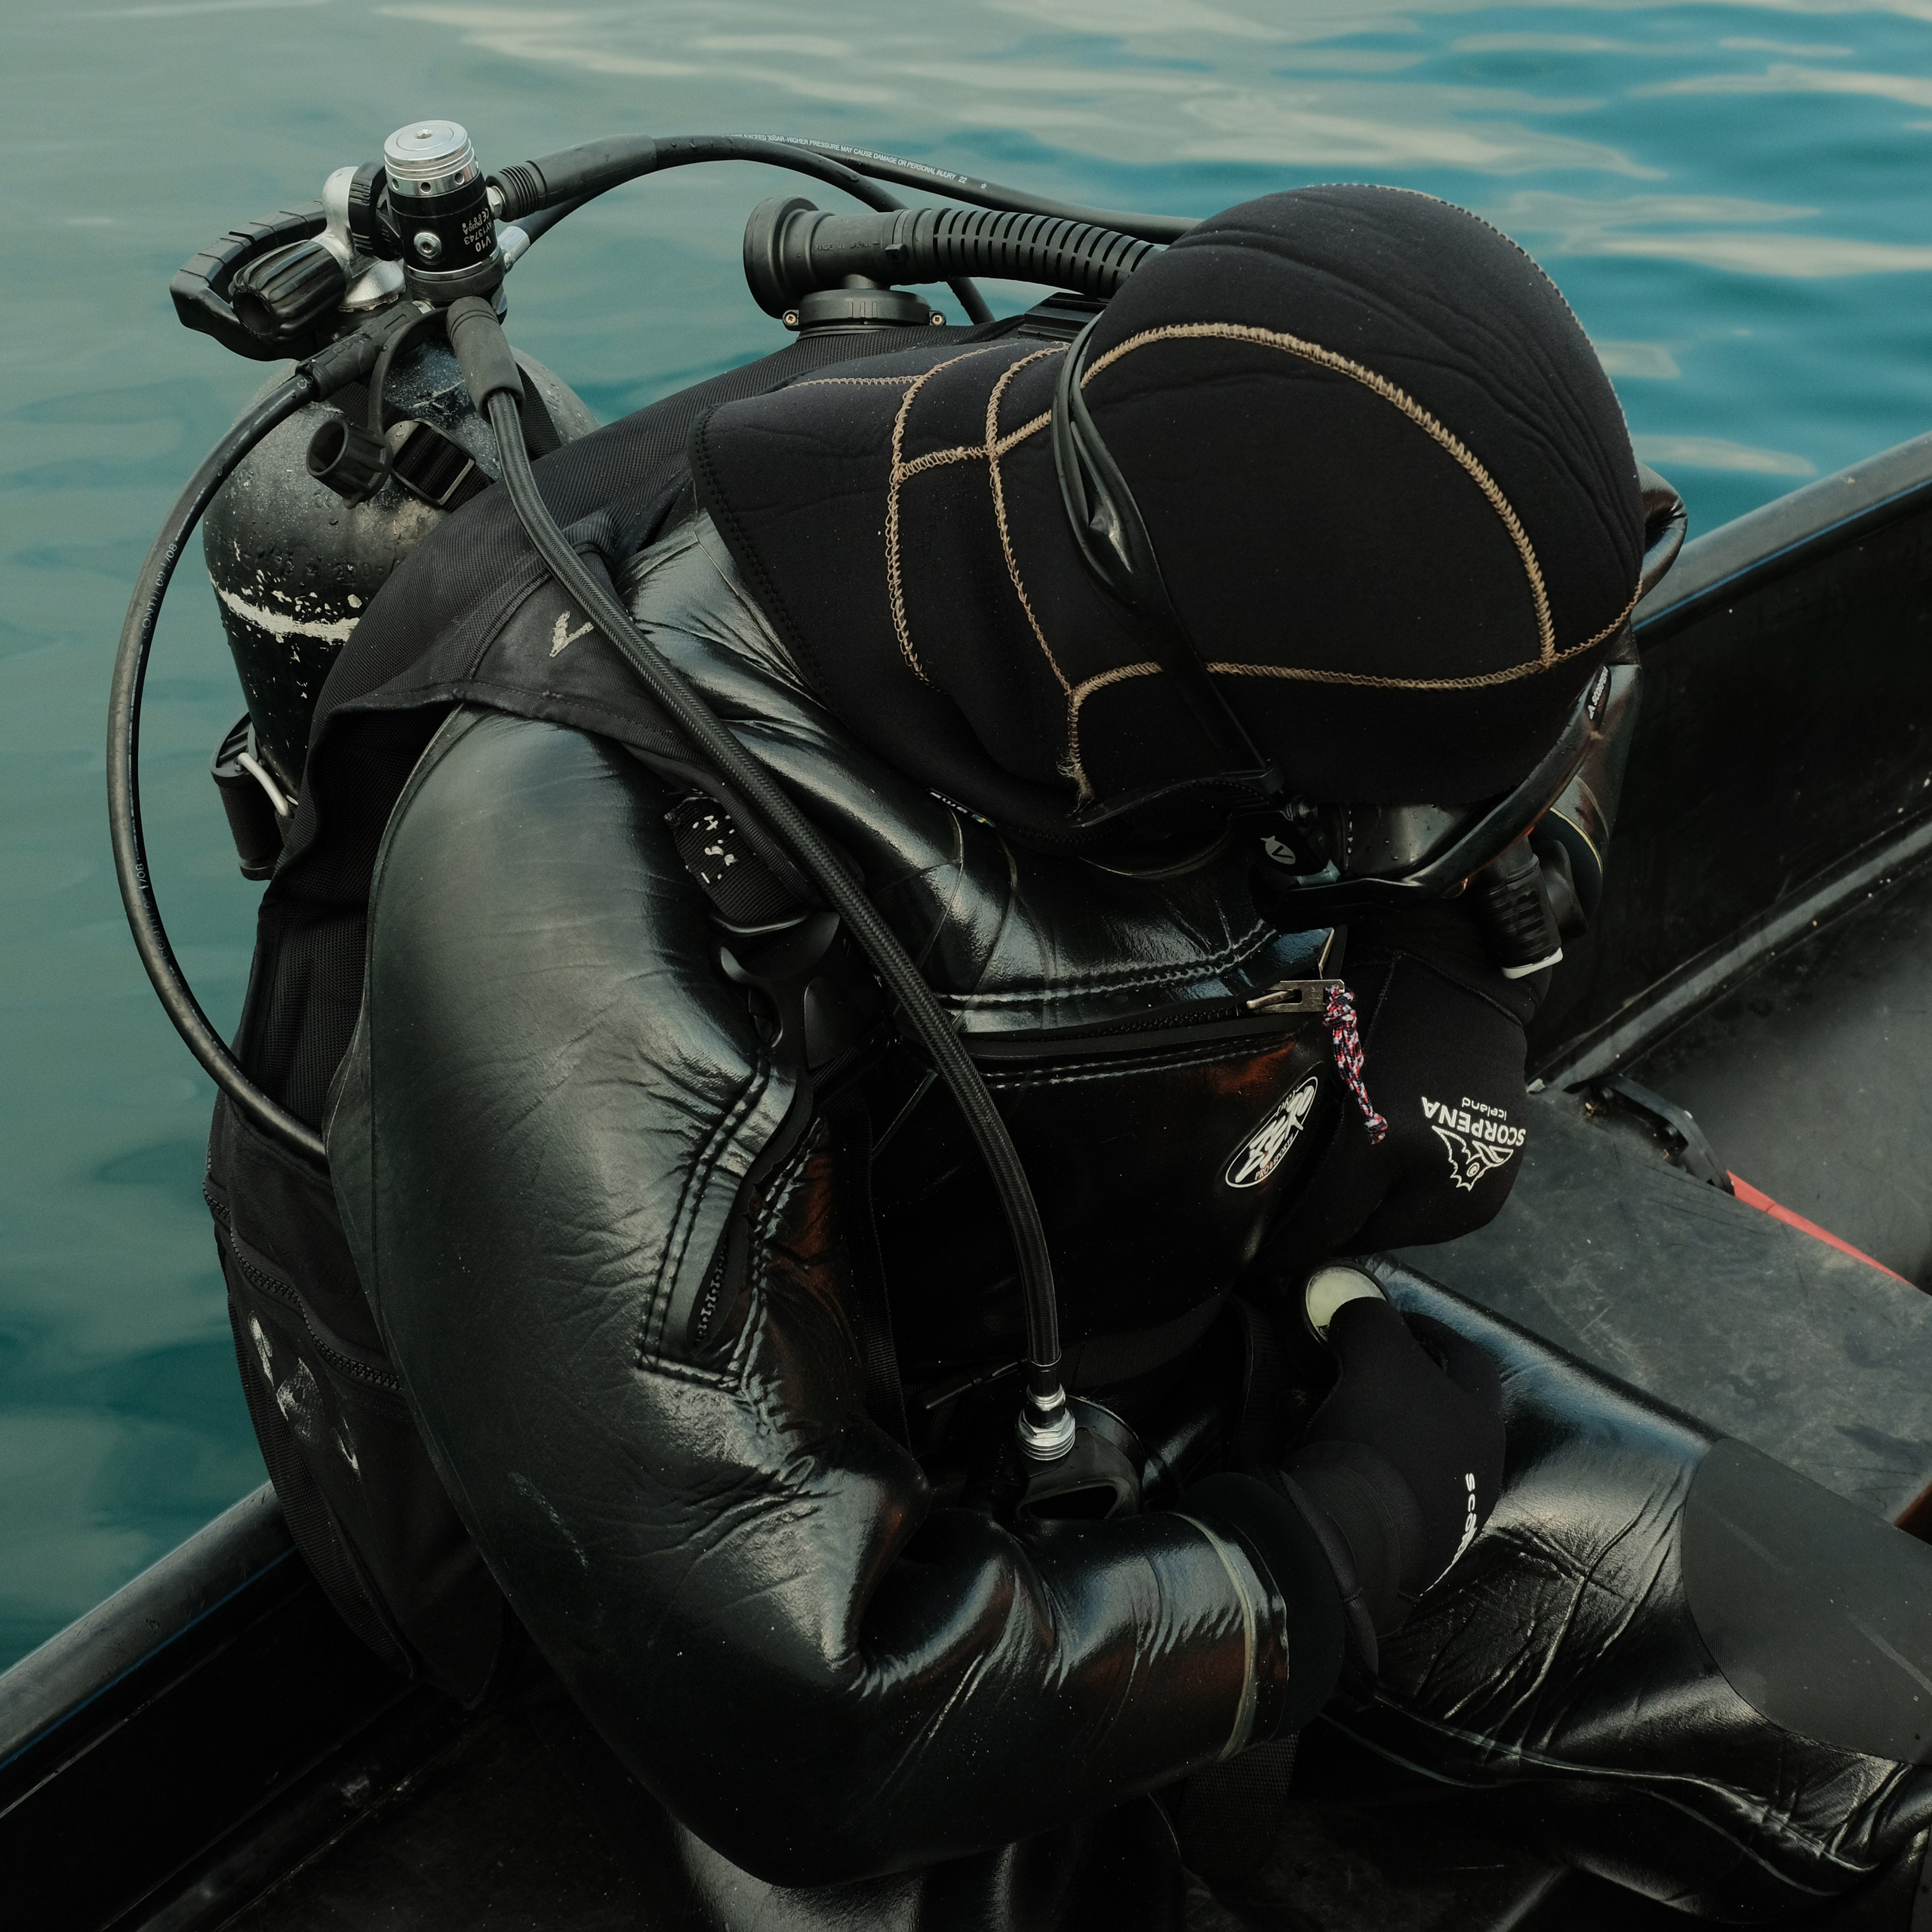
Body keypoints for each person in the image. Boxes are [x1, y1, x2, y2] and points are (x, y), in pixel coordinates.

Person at [217, 186, 1932, 1927]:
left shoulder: (1182, 429)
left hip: (1164, 1333)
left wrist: (1458, 964)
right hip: (793, 1562)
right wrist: (1331, 1549)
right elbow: (816, 1707)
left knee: (1892, 1719)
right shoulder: (571, 903)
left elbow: (1573, 656)